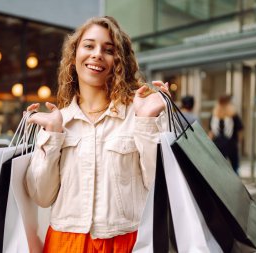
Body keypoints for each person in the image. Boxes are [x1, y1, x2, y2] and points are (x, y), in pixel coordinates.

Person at [25, 16, 169, 252]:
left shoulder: (139, 114)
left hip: (125, 242)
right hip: (65, 243)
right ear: (74, 57)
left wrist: (146, 122)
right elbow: (41, 196)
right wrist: (53, 136)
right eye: (89, 46)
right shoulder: (58, 121)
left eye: (108, 49)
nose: (97, 54)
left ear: (119, 61)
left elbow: (159, 187)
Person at [209, 95, 243, 174]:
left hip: (219, 145)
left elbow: (211, 132)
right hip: (230, 144)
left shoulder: (214, 115)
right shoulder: (233, 115)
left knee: (220, 167)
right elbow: (240, 130)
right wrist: (238, 142)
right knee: (234, 167)